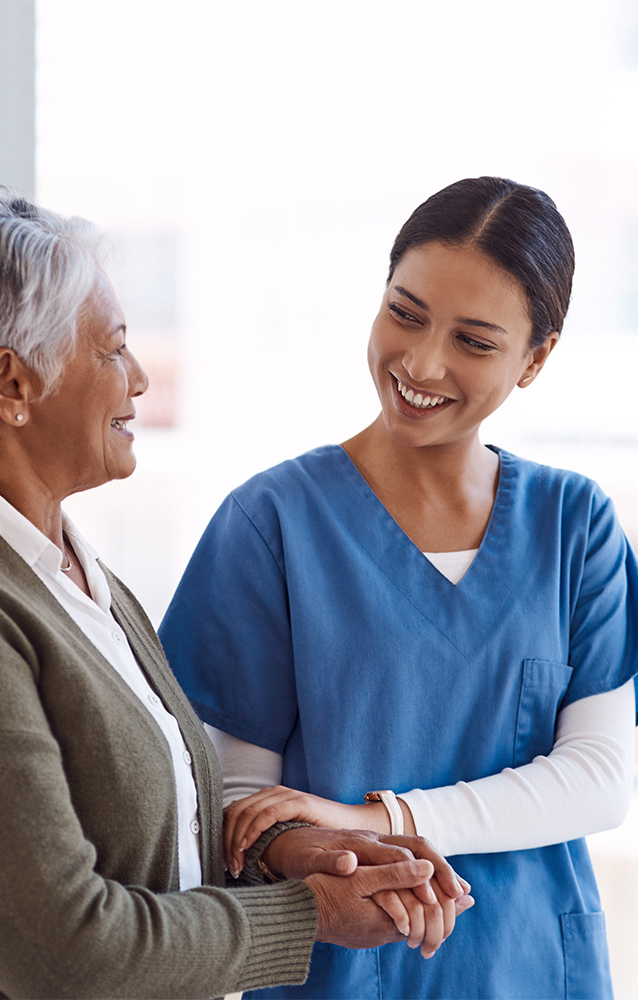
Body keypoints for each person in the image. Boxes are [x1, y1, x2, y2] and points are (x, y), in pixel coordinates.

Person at [0, 176, 473, 1000]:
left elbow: (134, 843)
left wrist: (286, 851)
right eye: (110, 349)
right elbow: (60, 948)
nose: (137, 377)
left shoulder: (59, 564)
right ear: (12, 386)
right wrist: (306, 914)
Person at [159, 177, 638, 1000]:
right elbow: (241, 803)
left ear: (537, 358)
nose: (420, 364)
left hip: (535, 972)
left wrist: (386, 819)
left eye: (475, 342)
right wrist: (329, 844)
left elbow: (599, 775)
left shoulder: (576, 526)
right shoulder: (271, 525)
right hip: (340, 971)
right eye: (405, 314)